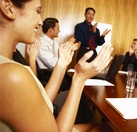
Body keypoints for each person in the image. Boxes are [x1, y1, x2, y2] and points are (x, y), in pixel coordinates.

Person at [0, 1, 114, 132]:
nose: (41, 22)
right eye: (38, 11)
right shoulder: (12, 75)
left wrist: (62, 63)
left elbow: (41, 104)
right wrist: (79, 79)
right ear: (8, 8)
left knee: (105, 127)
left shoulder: (11, 64)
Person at [37, 17, 79, 91]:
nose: (59, 31)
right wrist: (67, 46)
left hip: (55, 72)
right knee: (73, 83)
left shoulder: (54, 42)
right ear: (50, 30)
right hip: (47, 75)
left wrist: (69, 47)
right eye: (57, 28)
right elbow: (53, 64)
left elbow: (60, 56)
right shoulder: (41, 43)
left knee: (75, 79)